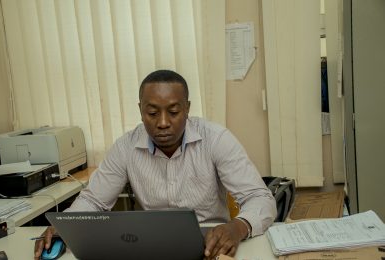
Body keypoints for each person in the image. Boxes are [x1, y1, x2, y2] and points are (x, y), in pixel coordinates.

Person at [34, 69, 277, 259]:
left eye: (173, 111)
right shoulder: (126, 147)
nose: (162, 122)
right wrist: (66, 227)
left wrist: (239, 226)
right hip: (151, 249)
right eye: (152, 113)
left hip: (211, 246)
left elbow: (260, 198)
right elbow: (94, 200)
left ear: (187, 109)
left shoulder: (216, 139)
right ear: (140, 111)